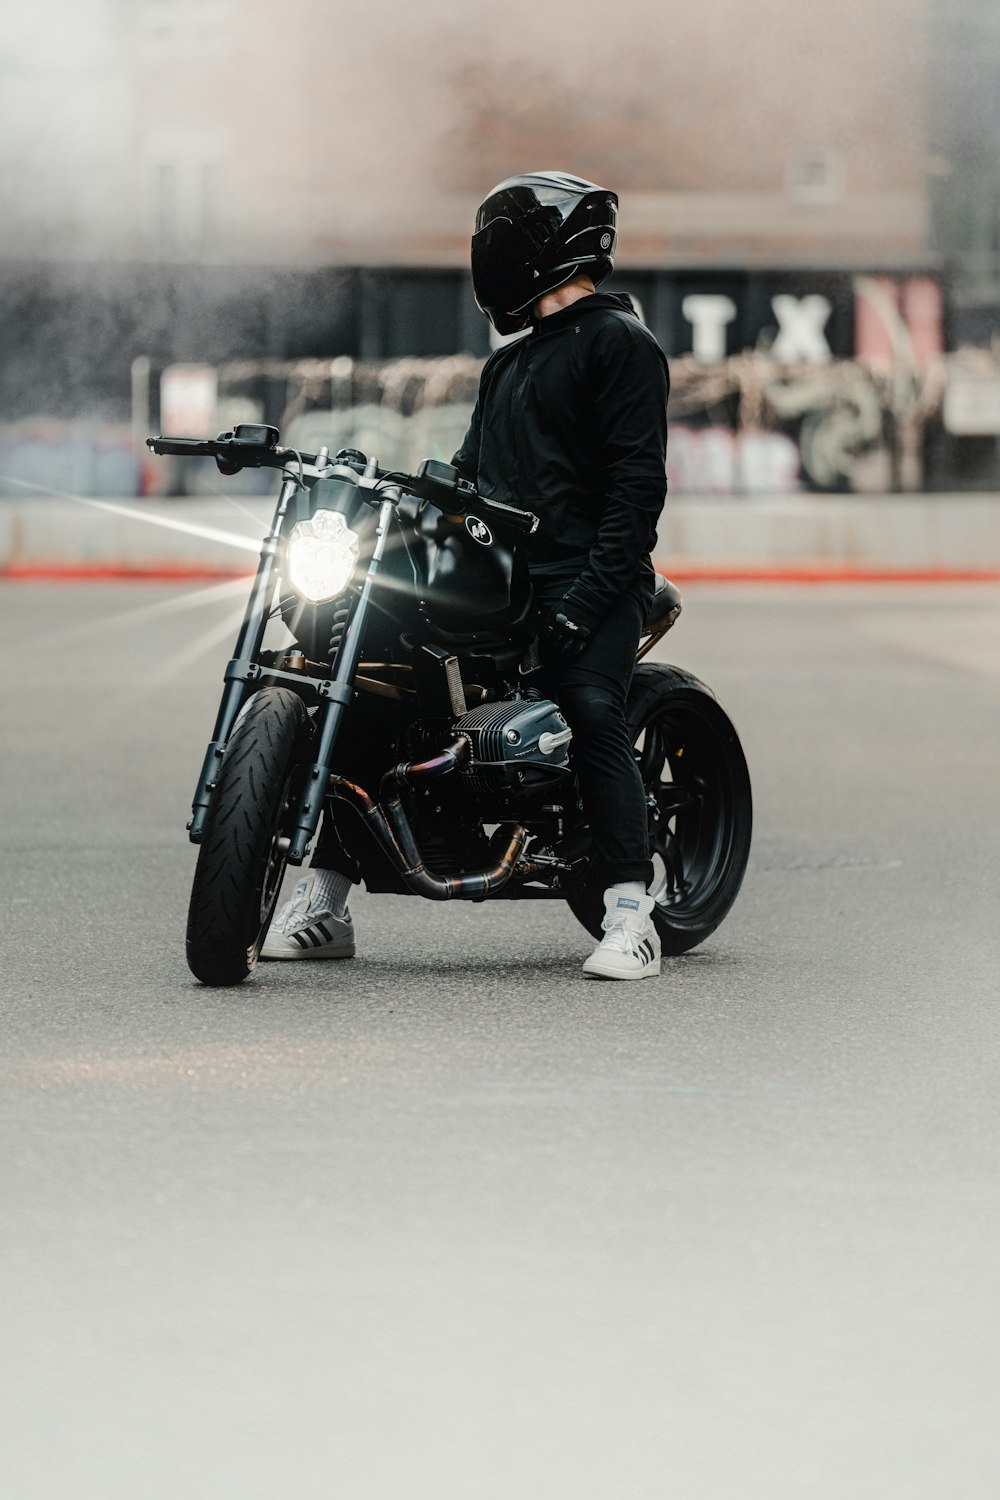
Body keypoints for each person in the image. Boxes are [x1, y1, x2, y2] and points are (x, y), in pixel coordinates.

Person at [263, 171, 669, 980]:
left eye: (502, 240)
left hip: (589, 578)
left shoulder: (620, 345)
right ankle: (327, 895)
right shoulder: (507, 368)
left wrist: (585, 603)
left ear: (545, 248)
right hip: (501, 582)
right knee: (371, 686)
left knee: (591, 705)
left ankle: (630, 907)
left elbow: (636, 490)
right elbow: (475, 481)